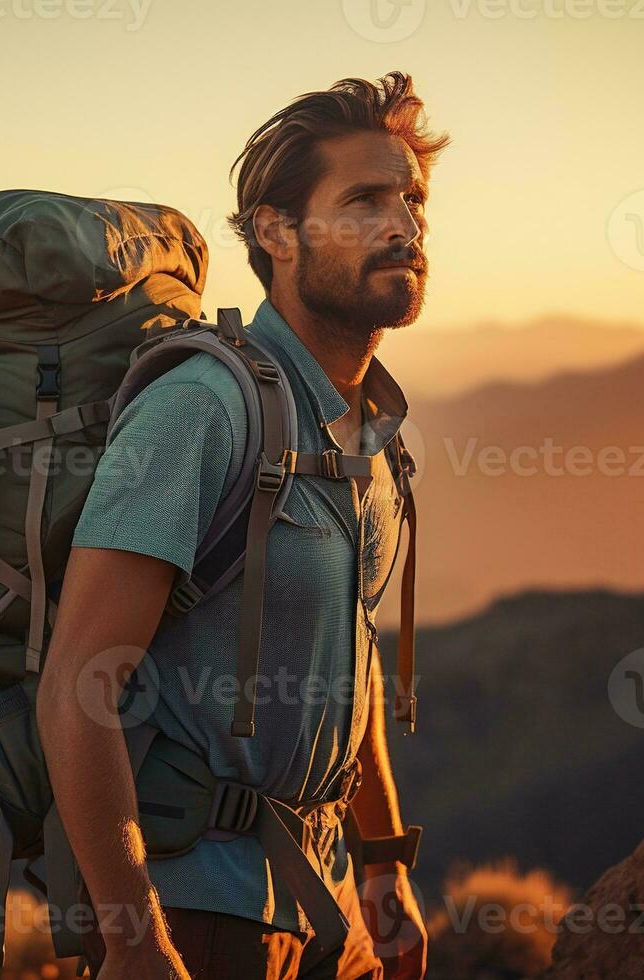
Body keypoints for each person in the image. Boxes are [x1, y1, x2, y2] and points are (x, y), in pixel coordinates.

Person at [36, 72, 448, 980]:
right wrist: (135, 943)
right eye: (366, 200)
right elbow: (77, 680)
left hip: (325, 904)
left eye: (412, 199)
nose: (405, 225)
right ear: (276, 231)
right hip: (199, 911)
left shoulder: (364, 433)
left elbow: (352, 651)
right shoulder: (204, 408)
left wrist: (381, 868)